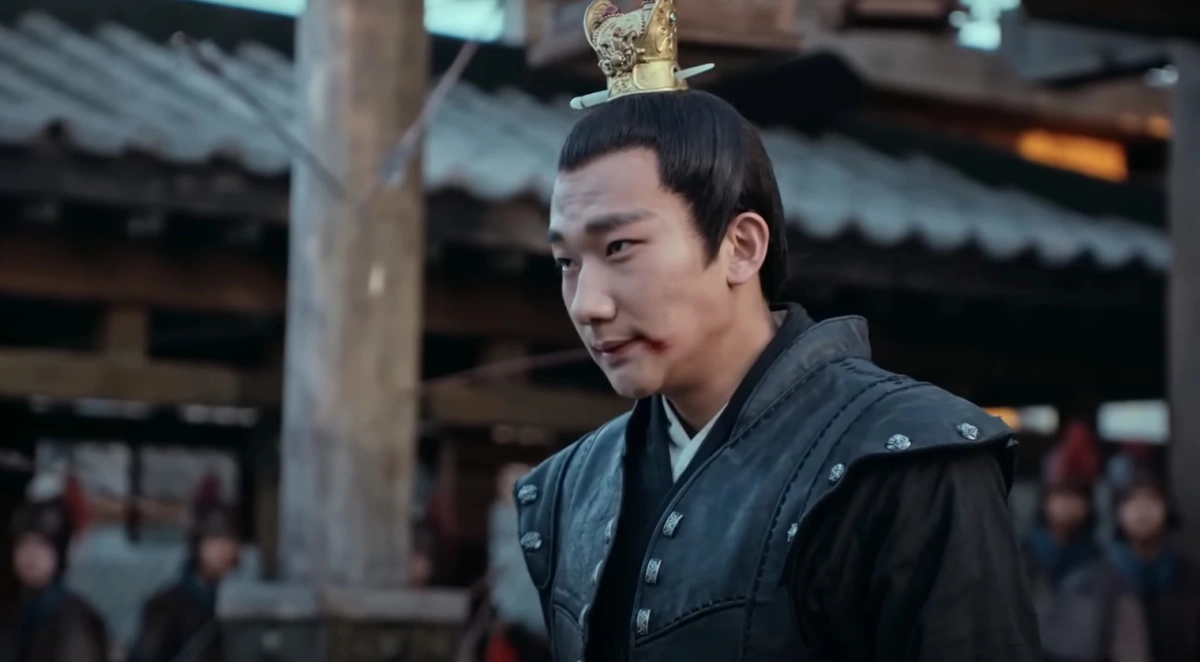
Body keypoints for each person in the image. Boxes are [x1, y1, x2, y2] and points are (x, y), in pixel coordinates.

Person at [510, 1, 1041, 660]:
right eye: (567, 262)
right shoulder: (568, 491)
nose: (588, 304)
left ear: (741, 247)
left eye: (619, 247)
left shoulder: (906, 462)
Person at [1045, 458, 1200, 662]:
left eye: (1152, 499)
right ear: (1118, 510)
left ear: (1167, 508)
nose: (1142, 510)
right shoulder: (1089, 581)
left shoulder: (1188, 577)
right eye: (1131, 500)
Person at [126, 474, 241, 662]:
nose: (224, 549)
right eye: (214, 539)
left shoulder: (247, 605)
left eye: (230, 540)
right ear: (198, 545)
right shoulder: (165, 607)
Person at [0, 472, 109, 662]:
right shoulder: (13, 613)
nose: (31, 555)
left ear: (60, 550)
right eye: (23, 544)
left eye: (42, 545)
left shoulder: (74, 618)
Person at [1024, 420, 1101, 641]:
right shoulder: (1023, 556)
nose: (1068, 505)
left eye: (1076, 498)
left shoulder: (1097, 560)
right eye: (1060, 497)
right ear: (1045, 502)